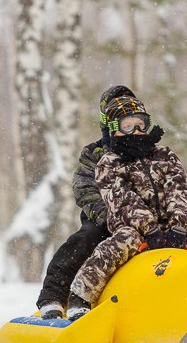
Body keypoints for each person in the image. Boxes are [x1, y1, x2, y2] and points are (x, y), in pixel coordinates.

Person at [67, 93, 187, 328]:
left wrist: (179, 225)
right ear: (114, 130)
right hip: (134, 230)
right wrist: (149, 229)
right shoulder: (109, 163)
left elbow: (180, 191)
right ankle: (80, 298)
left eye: (140, 124)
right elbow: (122, 200)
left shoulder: (165, 156)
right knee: (112, 248)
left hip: (174, 227)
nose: (135, 131)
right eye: (127, 126)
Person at [35, 85, 131, 319]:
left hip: (144, 224)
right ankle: (54, 295)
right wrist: (111, 218)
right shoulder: (94, 154)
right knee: (84, 240)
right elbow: (85, 189)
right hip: (103, 220)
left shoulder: (151, 154)